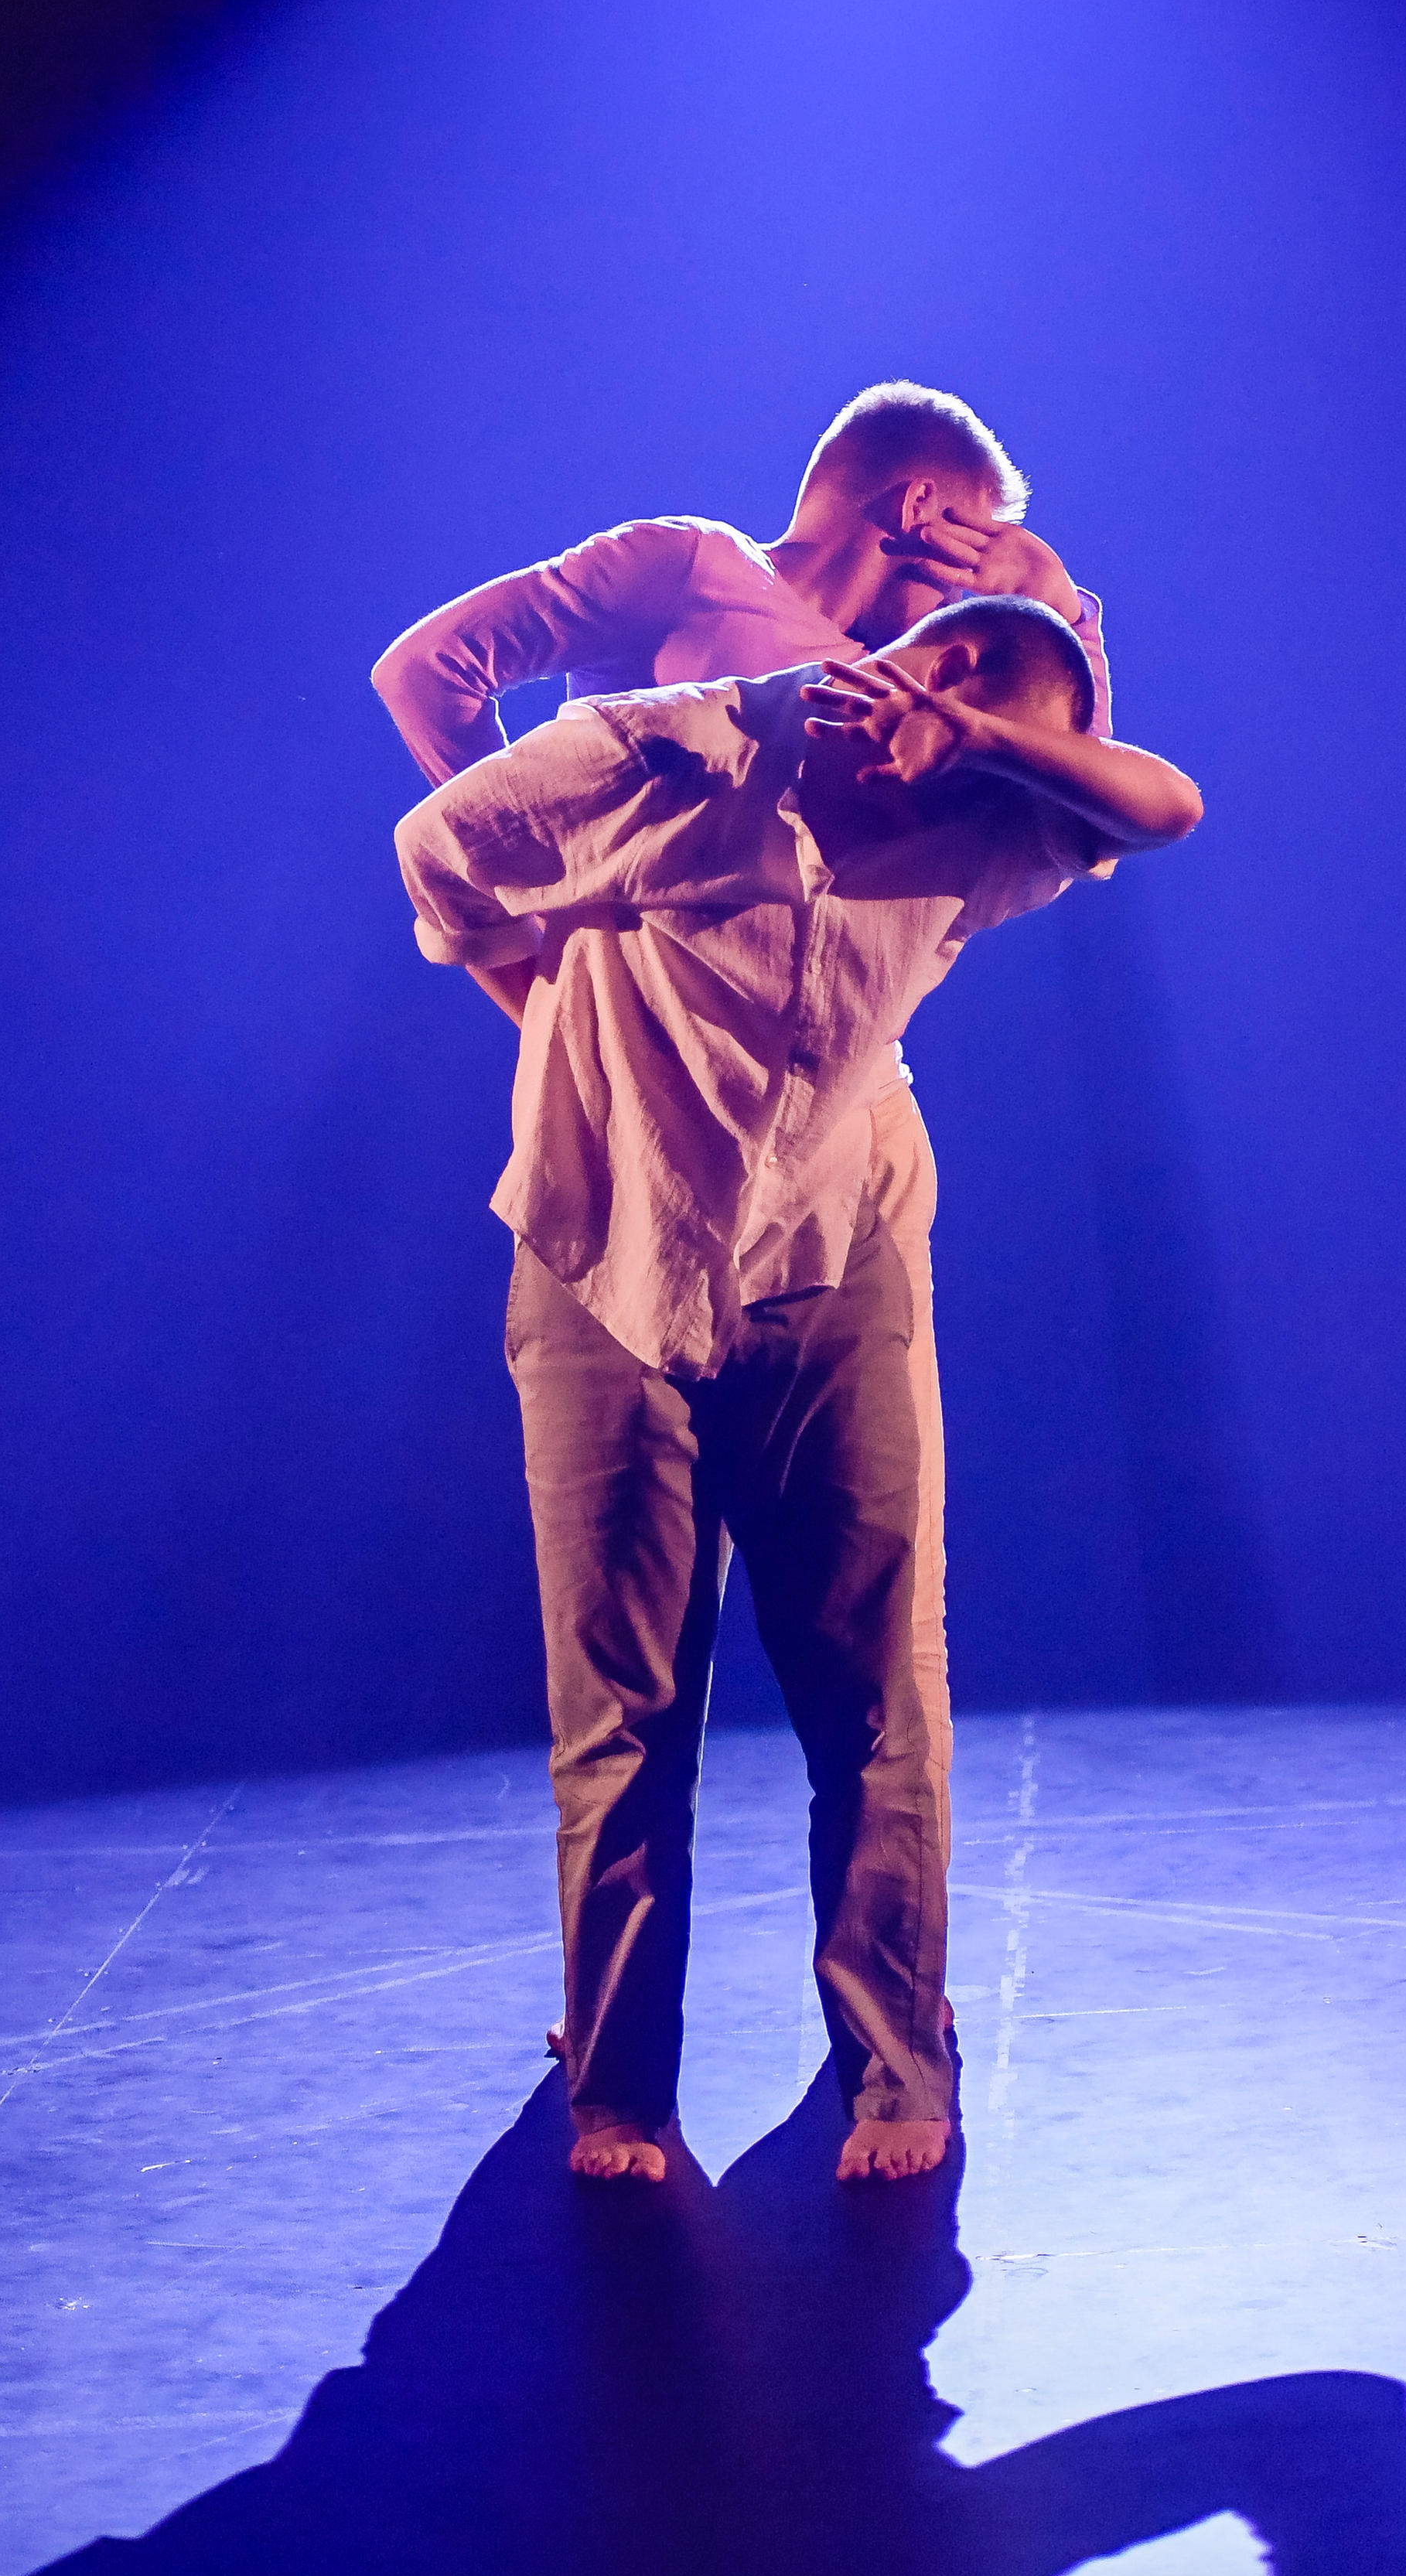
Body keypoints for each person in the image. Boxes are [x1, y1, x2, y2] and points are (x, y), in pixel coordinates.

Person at [393, 594, 1203, 2184]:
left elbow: (1165, 805)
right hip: (600, 1257)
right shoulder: (660, 754)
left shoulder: (993, 819)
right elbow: (438, 856)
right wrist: (561, 1023)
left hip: (839, 1256)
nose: (968, 810)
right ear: (935, 662)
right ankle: (619, 2092)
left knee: (880, 1688)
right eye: (969, 735)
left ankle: (897, 2065)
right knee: (619, 1708)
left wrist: (979, 745)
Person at [371, 383, 1113, 1883]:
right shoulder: (692, 571)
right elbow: (432, 667)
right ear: (917, 509)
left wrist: (1062, 605)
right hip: (651, 1117)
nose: (992, 568)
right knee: (631, 1631)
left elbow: (1097, 800)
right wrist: (551, 933)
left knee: (871, 1628)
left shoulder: (939, 680)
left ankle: (898, 1977)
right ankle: (619, 2004)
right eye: (986, 535)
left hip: (844, 1128)